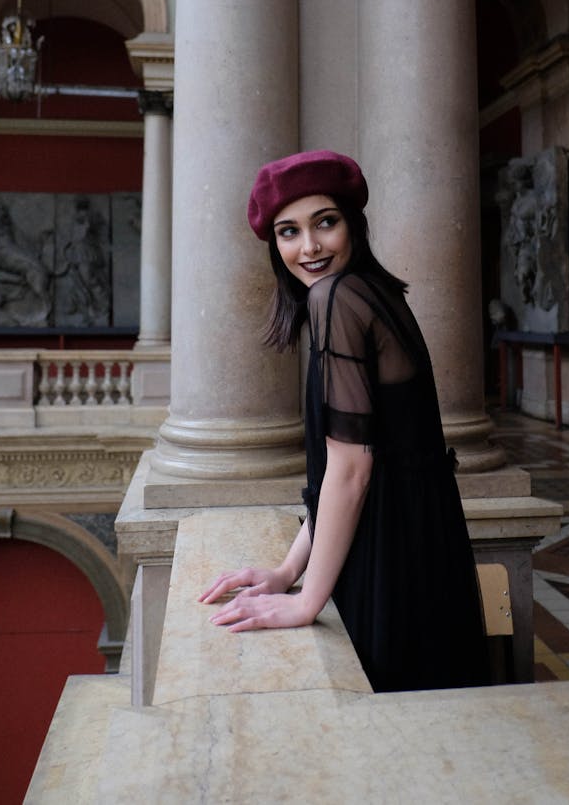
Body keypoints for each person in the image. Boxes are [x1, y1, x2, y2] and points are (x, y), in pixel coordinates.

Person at [200, 150, 489, 692]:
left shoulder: (336, 298)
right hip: (420, 538)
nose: (308, 247)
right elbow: (358, 466)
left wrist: (306, 600)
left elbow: (351, 469)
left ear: (353, 224)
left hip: (392, 553)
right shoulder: (372, 295)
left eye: (324, 223)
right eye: (289, 232)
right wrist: (288, 571)